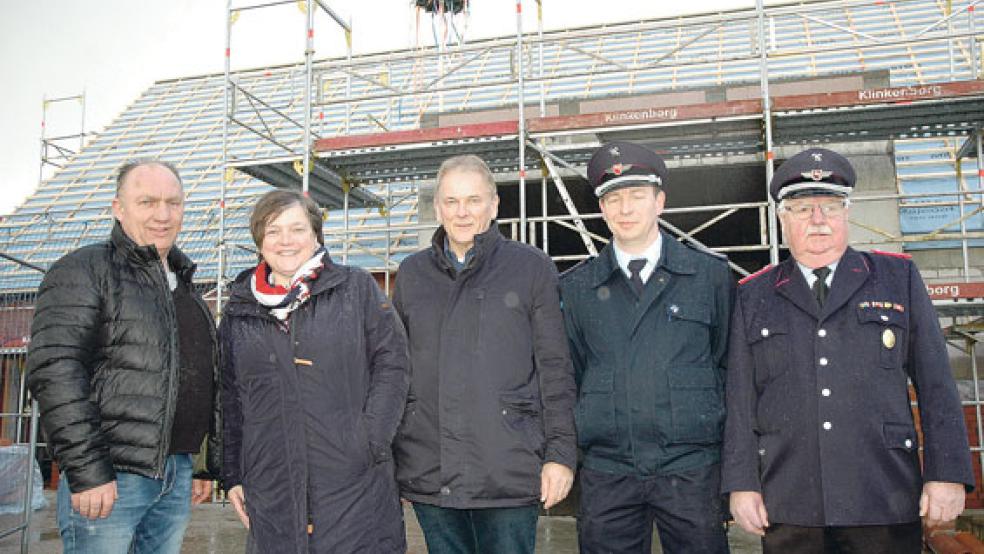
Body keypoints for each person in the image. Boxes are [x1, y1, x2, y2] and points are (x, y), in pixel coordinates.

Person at [722, 147, 974, 553]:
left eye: (831, 207)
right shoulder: (753, 295)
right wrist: (741, 484)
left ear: (847, 212)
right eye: (803, 209)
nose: (818, 221)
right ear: (782, 217)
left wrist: (946, 474)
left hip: (882, 494)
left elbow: (937, 384)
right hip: (790, 500)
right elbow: (739, 399)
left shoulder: (897, 277)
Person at [26, 159, 219, 554]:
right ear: (119, 207)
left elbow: (196, 379)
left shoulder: (186, 288)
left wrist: (198, 463)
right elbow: (55, 372)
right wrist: (87, 470)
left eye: (173, 203)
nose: (162, 215)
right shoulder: (84, 270)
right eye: (147, 202)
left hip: (175, 474)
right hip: (111, 477)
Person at [391, 154, 576, 554]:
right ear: (438, 206)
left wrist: (560, 453)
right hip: (431, 468)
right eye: (452, 201)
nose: (462, 213)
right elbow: (397, 371)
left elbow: (555, 368)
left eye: (474, 201)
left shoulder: (531, 268)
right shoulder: (411, 274)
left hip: (508, 468)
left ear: (494, 205)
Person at [560, 141, 735, 554]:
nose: (625, 209)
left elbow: (729, 369)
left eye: (637, 196)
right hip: (608, 471)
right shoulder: (577, 288)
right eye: (613, 199)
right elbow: (572, 375)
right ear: (601, 209)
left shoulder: (708, 276)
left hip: (691, 469)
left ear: (660, 201)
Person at [220, 189, 409, 553]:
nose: (286, 241)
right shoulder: (239, 309)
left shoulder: (356, 288)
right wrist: (234, 474)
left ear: (316, 235)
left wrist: (368, 440)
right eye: (273, 231)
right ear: (259, 240)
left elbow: (393, 363)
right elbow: (230, 399)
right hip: (272, 483)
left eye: (297, 229)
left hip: (352, 482)